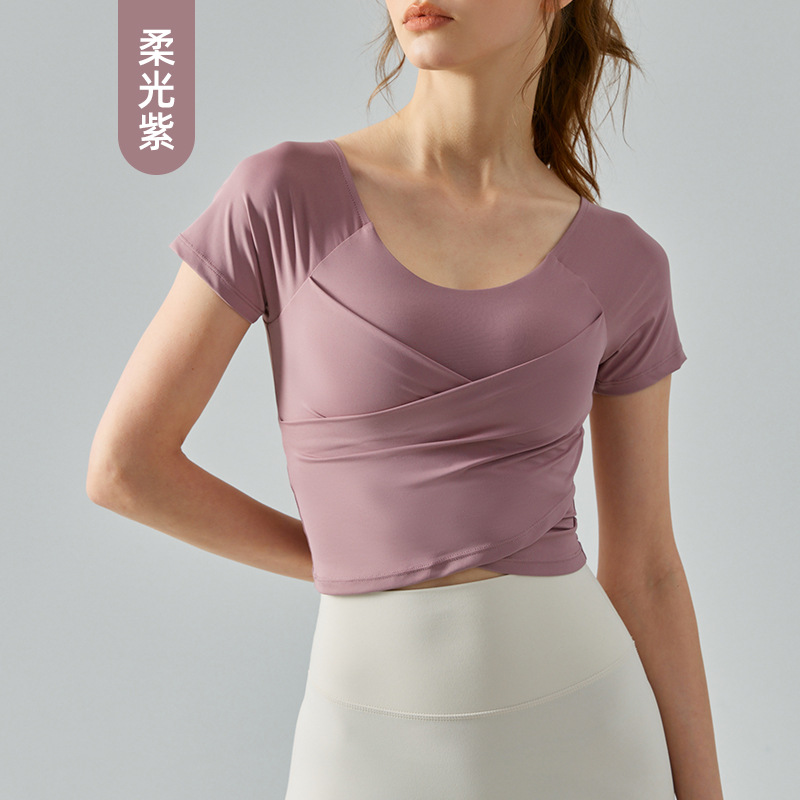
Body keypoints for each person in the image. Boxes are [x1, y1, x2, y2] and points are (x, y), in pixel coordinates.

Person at [87, 0, 725, 797]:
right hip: (363, 739)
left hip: (586, 725)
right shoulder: (283, 198)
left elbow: (647, 570)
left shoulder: (623, 262)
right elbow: (126, 468)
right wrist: (353, 556)